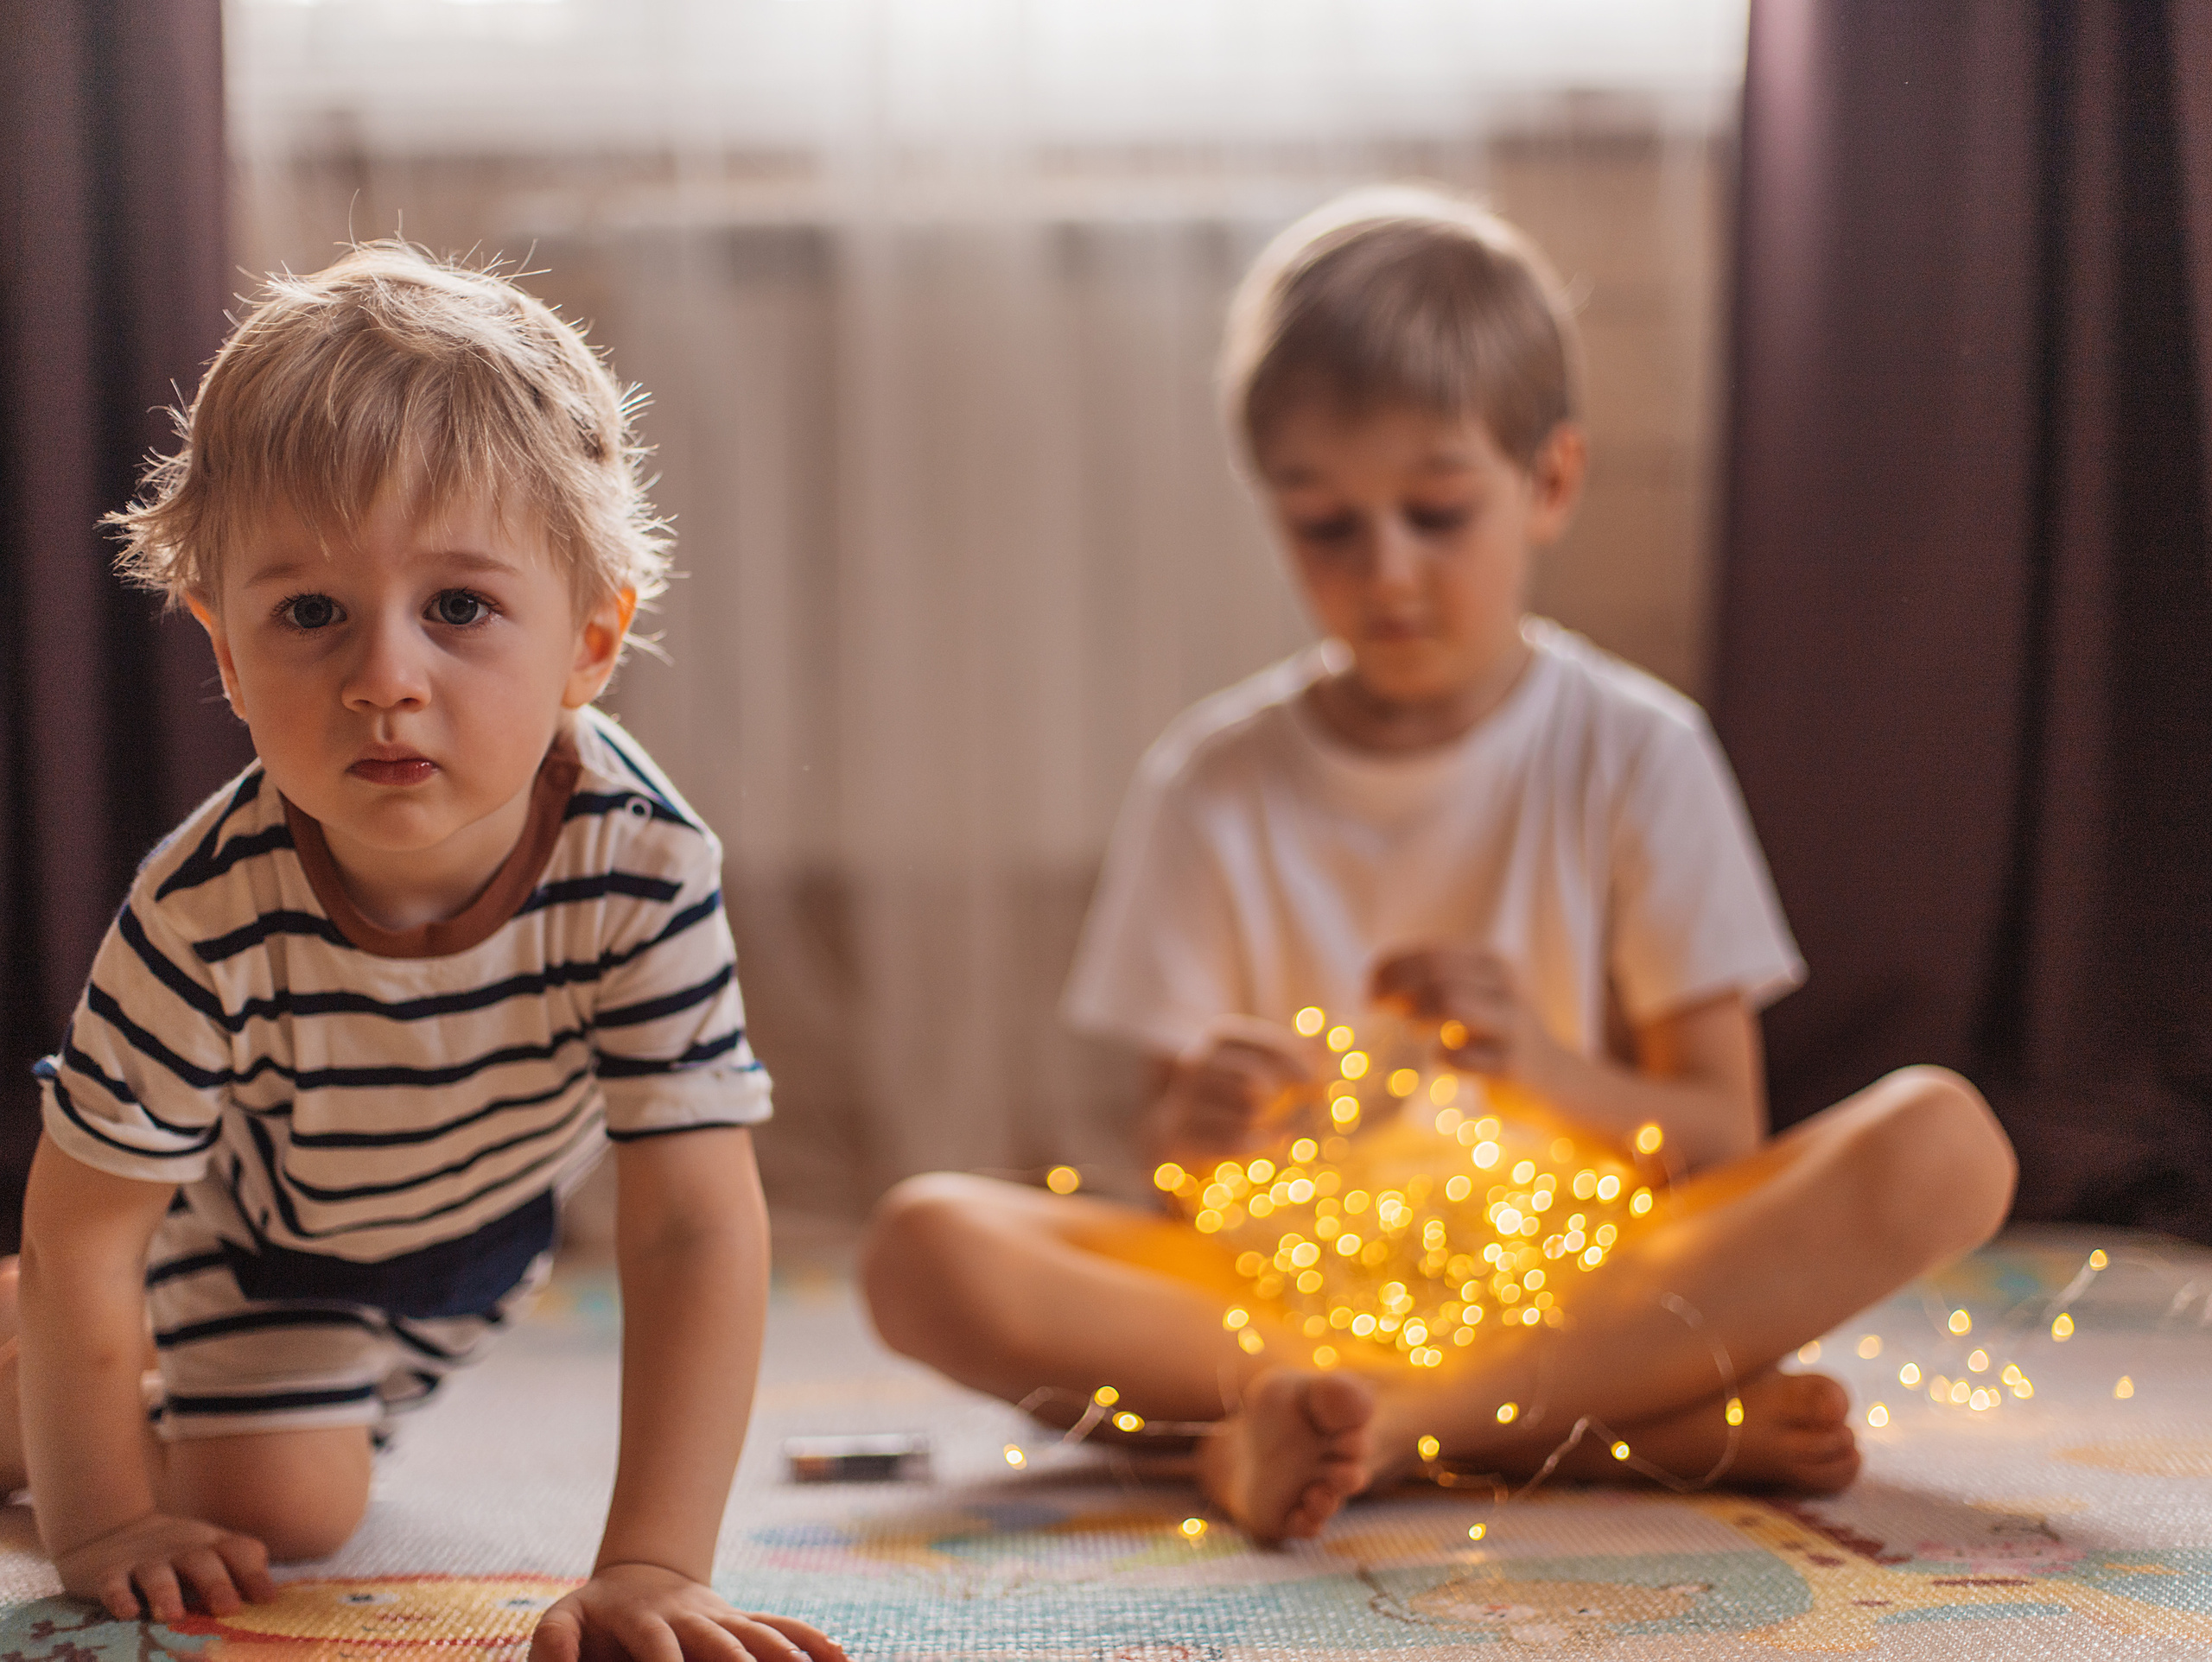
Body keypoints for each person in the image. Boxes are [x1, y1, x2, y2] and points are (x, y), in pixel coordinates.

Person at [860, 187, 2017, 1545]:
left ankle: (1384, 1431)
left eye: (1436, 512)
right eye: (1326, 525)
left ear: (1551, 483)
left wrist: (1540, 1068)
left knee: (1943, 1144)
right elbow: (1171, 1169)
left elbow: (1718, 1138)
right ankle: (1611, 1432)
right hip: (1287, 1301)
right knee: (926, 1249)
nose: (1386, 572)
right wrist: (1203, 1131)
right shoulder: (1212, 782)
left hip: (1592, 1283)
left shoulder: (1636, 752)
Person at [1, 244, 843, 1662]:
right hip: (258, 1243)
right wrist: (100, 1526)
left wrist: (652, 1561)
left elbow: (696, 1218)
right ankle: (28, 1370)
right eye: (309, 612)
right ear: (222, 645)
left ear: (589, 641)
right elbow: (92, 1222)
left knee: (292, 1473)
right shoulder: (202, 909)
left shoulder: (642, 863)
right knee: (284, 1510)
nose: (383, 676)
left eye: (459, 608)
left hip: (473, 1236)